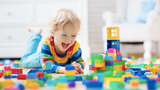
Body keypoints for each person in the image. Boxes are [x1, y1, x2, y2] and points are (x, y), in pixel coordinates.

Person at [20, 9, 85, 74]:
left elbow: (80, 62)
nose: (69, 40)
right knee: (24, 61)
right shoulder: (47, 44)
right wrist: (64, 70)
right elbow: (47, 66)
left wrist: (78, 66)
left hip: (56, 63)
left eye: (73, 35)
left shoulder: (75, 46)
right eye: (64, 35)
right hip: (41, 57)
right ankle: (36, 34)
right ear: (52, 33)